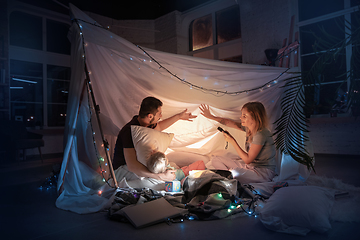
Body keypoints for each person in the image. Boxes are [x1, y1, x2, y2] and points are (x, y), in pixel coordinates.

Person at [113, 96, 196, 182]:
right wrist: (159, 176)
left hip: (139, 165)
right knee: (158, 181)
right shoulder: (129, 131)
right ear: (150, 116)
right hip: (123, 169)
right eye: (159, 113)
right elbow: (132, 165)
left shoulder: (147, 124)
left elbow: (160, 126)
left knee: (171, 167)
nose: (161, 116)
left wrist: (179, 116)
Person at [199, 102, 276, 183]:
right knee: (215, 159)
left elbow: (247, 160)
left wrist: (232, 141)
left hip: (263, 173)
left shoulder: (260, 134)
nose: (240, 118)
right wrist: (211, 117)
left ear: (254, 118)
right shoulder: (249, 129)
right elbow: (231, 123)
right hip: (250, 167)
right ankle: (227, 176)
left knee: (235, 173)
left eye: (244, 116)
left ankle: (228, 177)